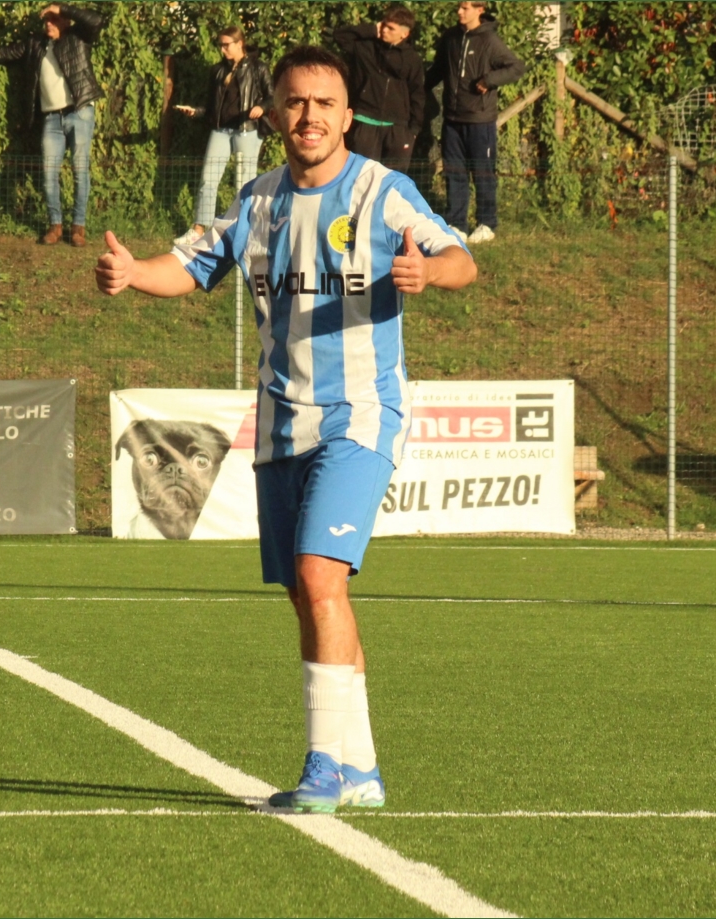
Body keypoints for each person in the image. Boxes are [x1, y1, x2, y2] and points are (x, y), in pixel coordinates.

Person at [96, 45, 476, 814]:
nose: (310, 116)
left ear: (348, 116)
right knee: (310, 594)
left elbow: (461, 258)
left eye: (324, 104)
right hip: (279, 422)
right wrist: (134, 274)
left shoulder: (382, 192)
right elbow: (189, 265)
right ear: (273, 114)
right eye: (296, 102)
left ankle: (323, 765)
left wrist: (428, 272)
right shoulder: (258, 201)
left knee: (319, 575)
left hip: (360, 416)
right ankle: (361, 767)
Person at [0, 3, 104, 248]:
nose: (48, 24)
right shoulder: (35, 44)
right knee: (49, 172)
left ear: (65, 21)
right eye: (46, 20)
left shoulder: (79, 37)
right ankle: (55, 226)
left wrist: (62, 8)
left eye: (53, 19)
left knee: (79, 169)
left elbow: (96, 20)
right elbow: (4, 53)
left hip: (80, 111)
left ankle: (78, 228)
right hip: (51, 118)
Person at [425, 0, 525, 244]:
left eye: (465, 8)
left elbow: (516, 67)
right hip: (452, 119)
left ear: (480, 10)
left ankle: (486, 223)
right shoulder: (450, 38)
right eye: (459, 7)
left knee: (483, 173)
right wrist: (415, 89)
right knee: (454, 173)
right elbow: (437, 70)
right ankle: (456, 223)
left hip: (480, 120)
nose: (459, 11)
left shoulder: (489, 40)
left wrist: (489, 80)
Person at [173, 26, 273, 246]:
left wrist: (262, 107)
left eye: (226, 45)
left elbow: (272, 97)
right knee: (208, 179)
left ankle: (244, 231)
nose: (222, 49)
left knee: (245, 183)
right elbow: (210, 107)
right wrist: (195, 111)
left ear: (240, 44)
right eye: (220, 45)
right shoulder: (217, 71)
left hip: (247, 130)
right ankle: (198, 230)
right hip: (220, 131)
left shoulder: (258, 68)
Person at [332, 5, 425, 173]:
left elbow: (417, 94)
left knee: (393, 180)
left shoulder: (412, 59)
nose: (384, 30)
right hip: (365, 123)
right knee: (362, 176)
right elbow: (340, 36)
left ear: (404, 34)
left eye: (391, 28)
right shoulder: (366, 48)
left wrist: (413, 131)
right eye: (384, 25)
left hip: (397, 129)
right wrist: (371, 29)